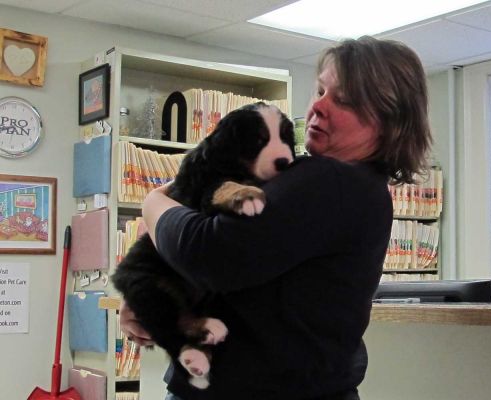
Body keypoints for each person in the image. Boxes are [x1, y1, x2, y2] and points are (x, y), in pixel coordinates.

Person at [120, 36, 432, 400]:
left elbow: (206, 253)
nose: (318, 106)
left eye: (343, 99)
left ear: (387, 118)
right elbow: (209, 235)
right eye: (320, 90)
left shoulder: (333, 182)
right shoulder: (339, 185)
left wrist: (152, 201)